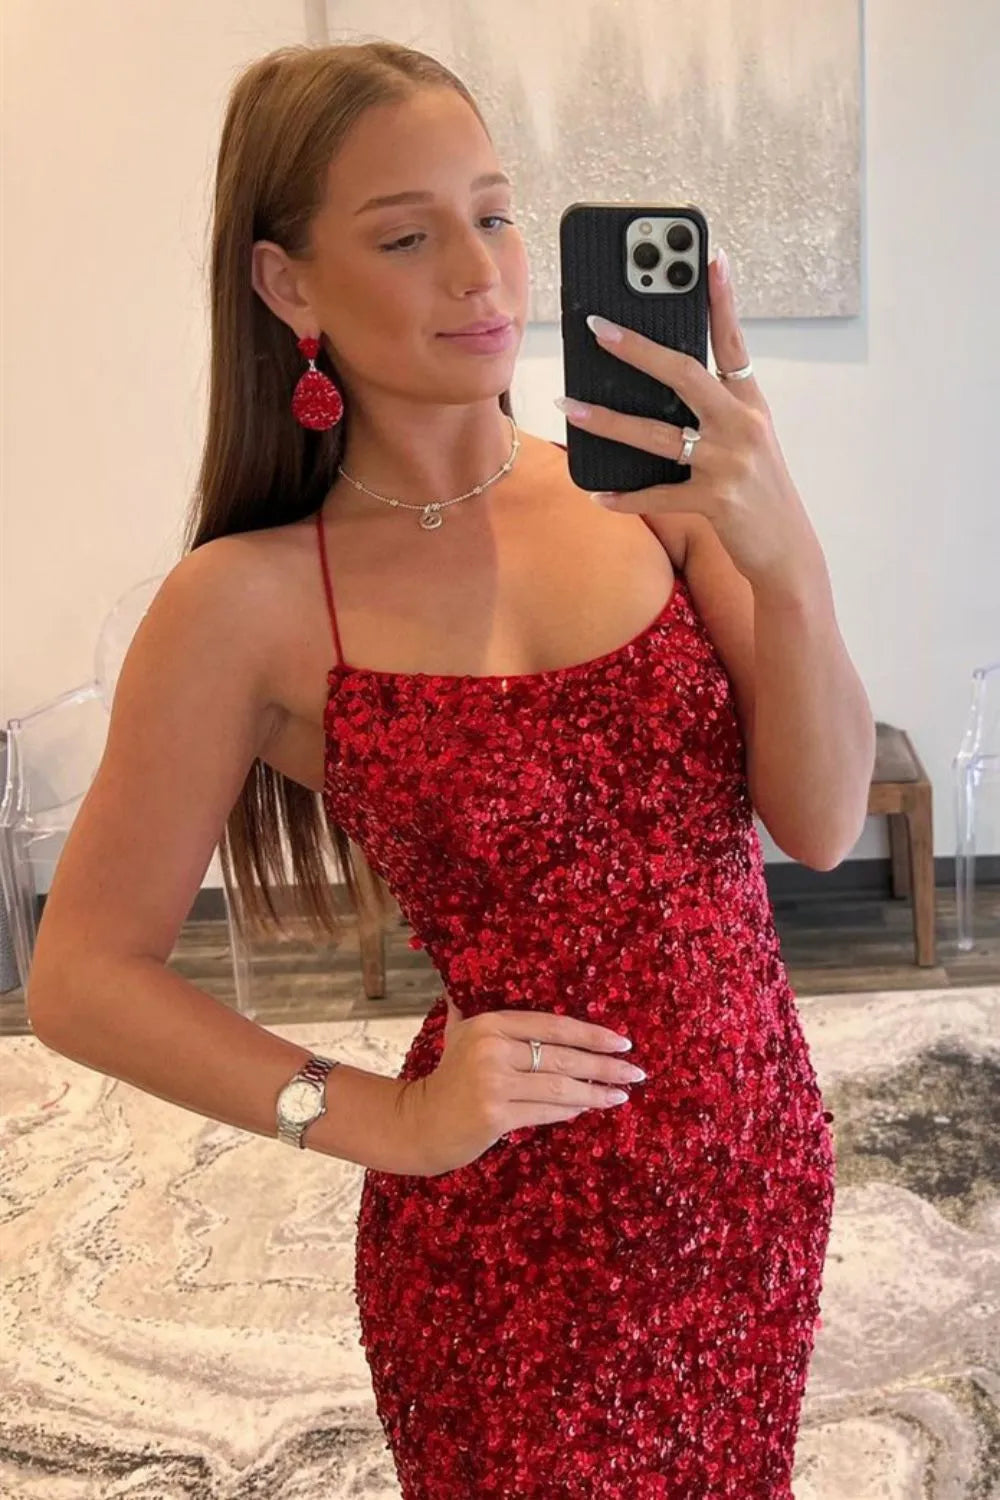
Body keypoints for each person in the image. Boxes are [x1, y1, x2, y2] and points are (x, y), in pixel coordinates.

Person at [27, 39, 875, 1499]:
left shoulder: (657, 503)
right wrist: (383, 1119)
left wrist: (787, 557)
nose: (481, 275)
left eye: (494, 215)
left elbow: (822, 819)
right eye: (406, 237)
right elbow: (82, 977)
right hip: (507, 1238)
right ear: (288, 283)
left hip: (748, 1176)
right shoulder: (248, 601)